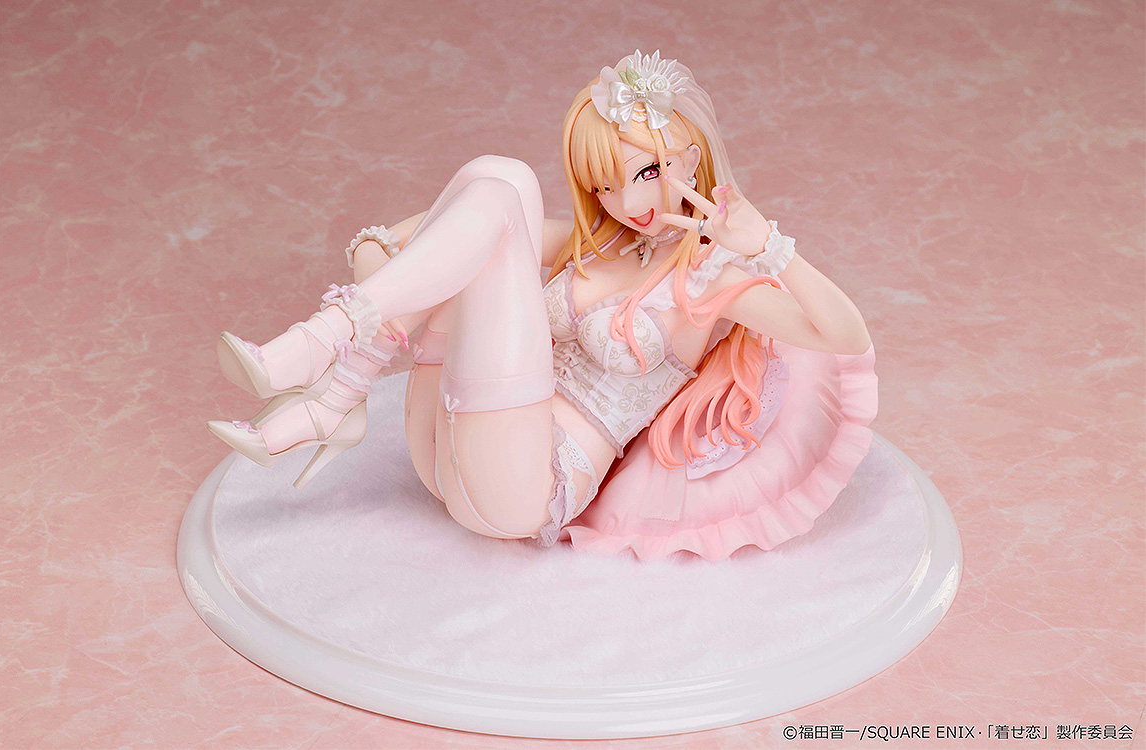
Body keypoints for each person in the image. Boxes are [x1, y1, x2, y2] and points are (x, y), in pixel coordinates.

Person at [208, 50, 877, 560]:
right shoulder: (601, 243)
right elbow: (423, 236)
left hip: (525, 486)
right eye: (609, 184)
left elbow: (844, 336)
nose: (635, 200)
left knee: (504, 198)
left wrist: (768, 247)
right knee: (498, 177)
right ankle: (341, 387)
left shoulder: (711, 278)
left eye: (652, 171)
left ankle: (327, 369)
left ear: (693, 161)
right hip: (449, 437)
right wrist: (381, 255)